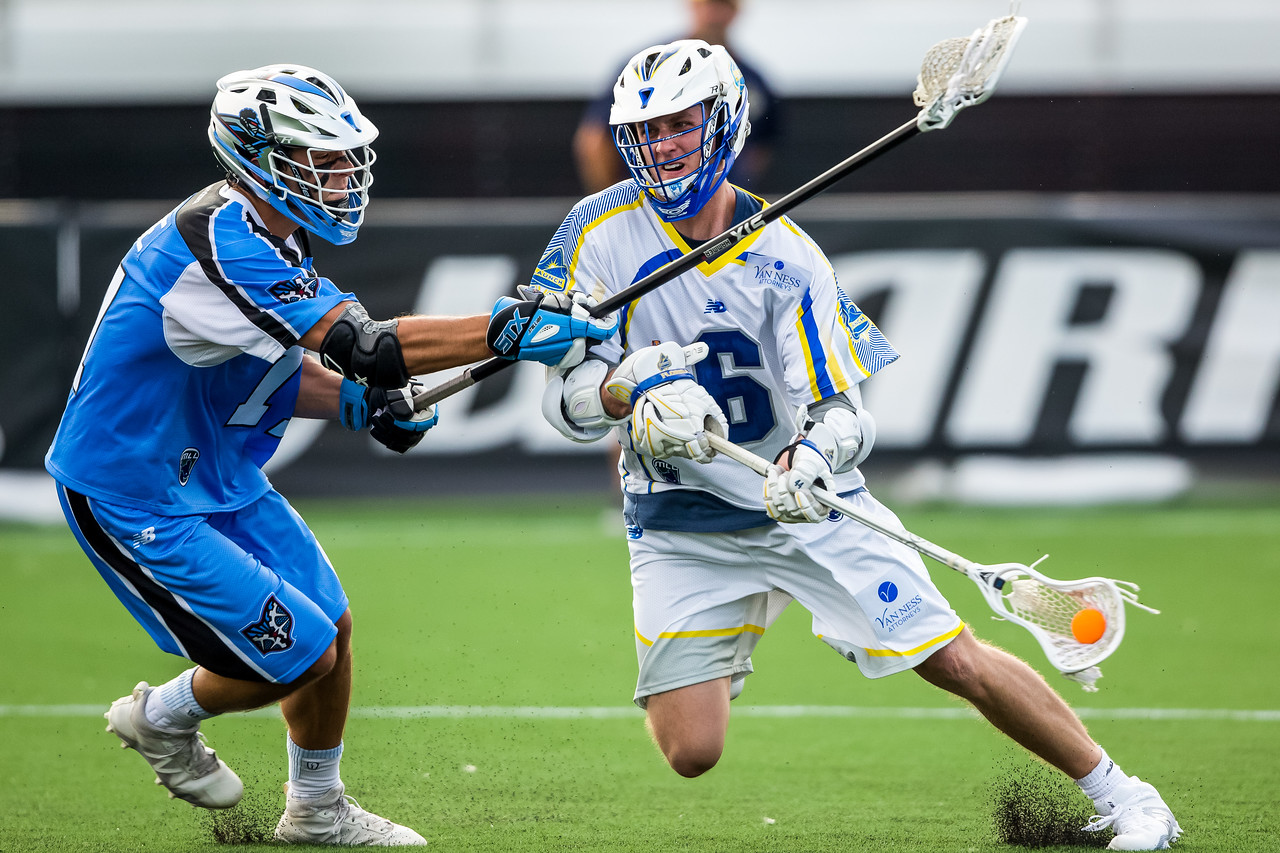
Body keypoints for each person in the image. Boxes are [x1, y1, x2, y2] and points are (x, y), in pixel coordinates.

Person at [534, 40, 1182, 851]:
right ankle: (739, 624)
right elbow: (565, 403)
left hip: (800, 505)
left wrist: (808, 459)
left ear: (723, 121)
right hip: (679, 521)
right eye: (646, 130)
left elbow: (846, 413)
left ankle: (1127, 796)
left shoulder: (787, 254)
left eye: (679, 123)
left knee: (955, 660)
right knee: (690, 750)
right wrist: (625, 392)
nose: (661, 145)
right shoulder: (593, 233)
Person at [44, 64, 615, 847]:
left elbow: (274, 368)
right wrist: (503, 330)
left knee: (333, 625)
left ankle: (316, 810)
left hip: (215, 472)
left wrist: (355, 402)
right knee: (300, 654)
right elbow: (371, 346)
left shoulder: (272, 230)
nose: (345, 176)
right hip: (133, 491)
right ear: (255, 154)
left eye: (347, 158)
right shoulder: (219, 239)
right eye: (325, 158)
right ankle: (160, 716)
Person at [572, 0, 780, 195]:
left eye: (723, 5)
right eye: (708, 4)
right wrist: (616, 204)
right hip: (652, 205)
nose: (714, 14)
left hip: (721, 209)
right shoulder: (647, 69)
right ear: (692, 6)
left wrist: (736, 185)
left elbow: (762, 144)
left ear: (736, 11)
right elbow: (595, 139)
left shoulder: (750, 78)